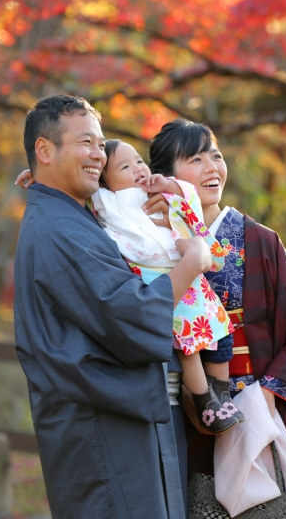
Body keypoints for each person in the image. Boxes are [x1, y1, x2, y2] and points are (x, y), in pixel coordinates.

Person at [14, 95, 212, 519]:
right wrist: (192, 261)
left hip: (110, 420)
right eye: (85, 142)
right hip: (100, 430)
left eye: (101, 145)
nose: (97, 154)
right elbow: (129, 309)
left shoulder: (67, 215)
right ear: (45, 151)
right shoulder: (59, 228)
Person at [145, 118, 286, 501]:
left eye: (216, 155)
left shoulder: (258, 240)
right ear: (165, 177)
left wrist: (269, 392)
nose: (212, 168)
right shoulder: (149, 239)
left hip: (251, 402)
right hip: (178, 406)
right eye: (195, 159)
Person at [91, 138, 242, 434]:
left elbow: (189, 202)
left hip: (192, 275)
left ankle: (221, 393)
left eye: (138, 161)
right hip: (161, 280)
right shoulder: (108, 202)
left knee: (222, 335)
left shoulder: (158, 191)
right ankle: (203, 400)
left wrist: (169, 187)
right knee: (190, 348)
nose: (137, 169)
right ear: (104, 182)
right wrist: (40, 178)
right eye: (125, 166)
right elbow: (76, 190)